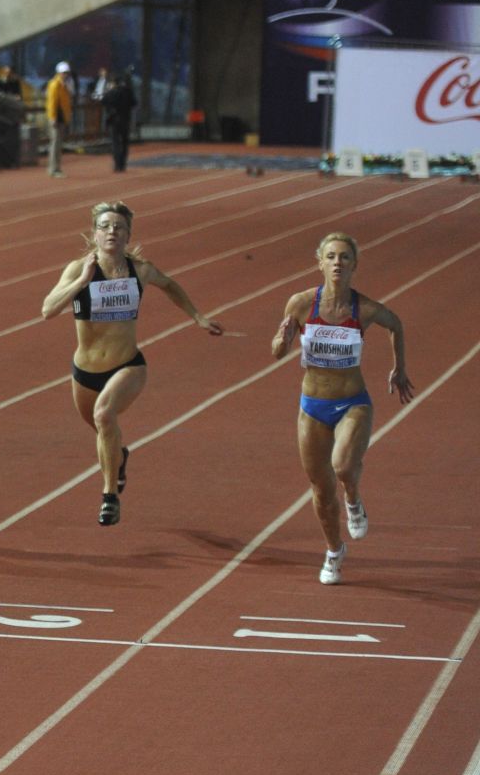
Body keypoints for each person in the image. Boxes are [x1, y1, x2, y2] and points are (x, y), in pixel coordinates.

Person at [41, 201, 224, 526]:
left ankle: (110, 496)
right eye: (105, 226)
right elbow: (48, 310)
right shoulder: (78, 269)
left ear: (128, 235)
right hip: (84, 373)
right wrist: (80, 282)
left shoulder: (140, 269)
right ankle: (120, 458)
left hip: (128, 365)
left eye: (119, 227)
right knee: (102, 430)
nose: (112, 231)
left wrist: (198, 317)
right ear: (94, 234)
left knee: (104, 415)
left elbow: (169, 285)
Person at [269, 233, 412, 585]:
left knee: (344, 466)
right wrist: (282, 341)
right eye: (330, 256)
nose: (337, 263)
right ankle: (334, 551)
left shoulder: (364, 309)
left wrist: (400, 367)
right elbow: (275, 351)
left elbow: (395, 324)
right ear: (320, 262)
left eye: (344, 257)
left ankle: (353, 497)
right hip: (313, 406)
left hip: (352, 402)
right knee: (320, 487)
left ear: (354, 265)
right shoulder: (301, 304)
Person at [45, 60, 75, 178]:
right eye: (64, 72)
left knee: (58, 144)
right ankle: (53, 169)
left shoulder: (65, 84)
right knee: (55, 144)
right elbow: (52, 102)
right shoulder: (55, 84)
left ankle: (56, 167)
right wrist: (52, 118)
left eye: (67, 72)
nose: (66, 74)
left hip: (62, 117)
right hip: (56, 118)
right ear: (59, 73)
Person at [103, 69, 136, 173]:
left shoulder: (110, 93)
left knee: (115, 142)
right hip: (125, 119)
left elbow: (104, 102)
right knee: (125, 142)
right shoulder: (127, 91)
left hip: (114, 120)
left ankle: (117, 164)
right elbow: (134, 103)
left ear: (112, 83)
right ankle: (123, 163)